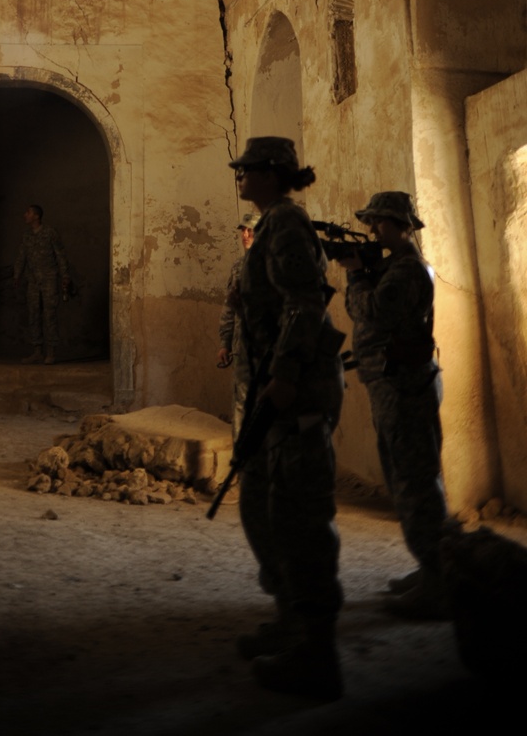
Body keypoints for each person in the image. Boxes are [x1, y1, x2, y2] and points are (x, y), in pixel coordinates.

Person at [229, 136, 345, 701]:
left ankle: (317, 654)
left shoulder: (288, 226)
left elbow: (305, 303)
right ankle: (290, 619)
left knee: (298, 517)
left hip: (294, 393)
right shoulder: (271, 224)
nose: (241, 178)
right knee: (261, 504)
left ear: (273, 174)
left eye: (248, 170)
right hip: (271, 394)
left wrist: (286, 374)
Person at [340, 190, 450, 618]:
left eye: (381, 223)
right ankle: (431, 568)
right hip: (394, 384)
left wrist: (355, 275)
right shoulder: (396, 266)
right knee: (404, 478)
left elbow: (371, 312)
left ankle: (440, 583)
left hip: (405, 387)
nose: (373, 230)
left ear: (403, 227)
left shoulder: (406, 272)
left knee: (416, 482)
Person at [14, 204, 70, 364]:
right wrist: (17, 275)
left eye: (28, 212)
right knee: (33, 314)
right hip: (33, 280)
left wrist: (65, 275)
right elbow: (21, 256)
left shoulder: (50, 233)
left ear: (37, 216)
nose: (25, 215)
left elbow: (60, 254)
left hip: (49, 279)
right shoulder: (26, 236)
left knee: (49, 315)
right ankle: (38, 351)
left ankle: (51, 352)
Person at [217, 215, 256, 435]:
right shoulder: (239, 267)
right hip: (242, 350)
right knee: (241, 405)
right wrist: (225, 342)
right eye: (243, 230)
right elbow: (229, 308)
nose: (245, 235)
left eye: (251, 231)